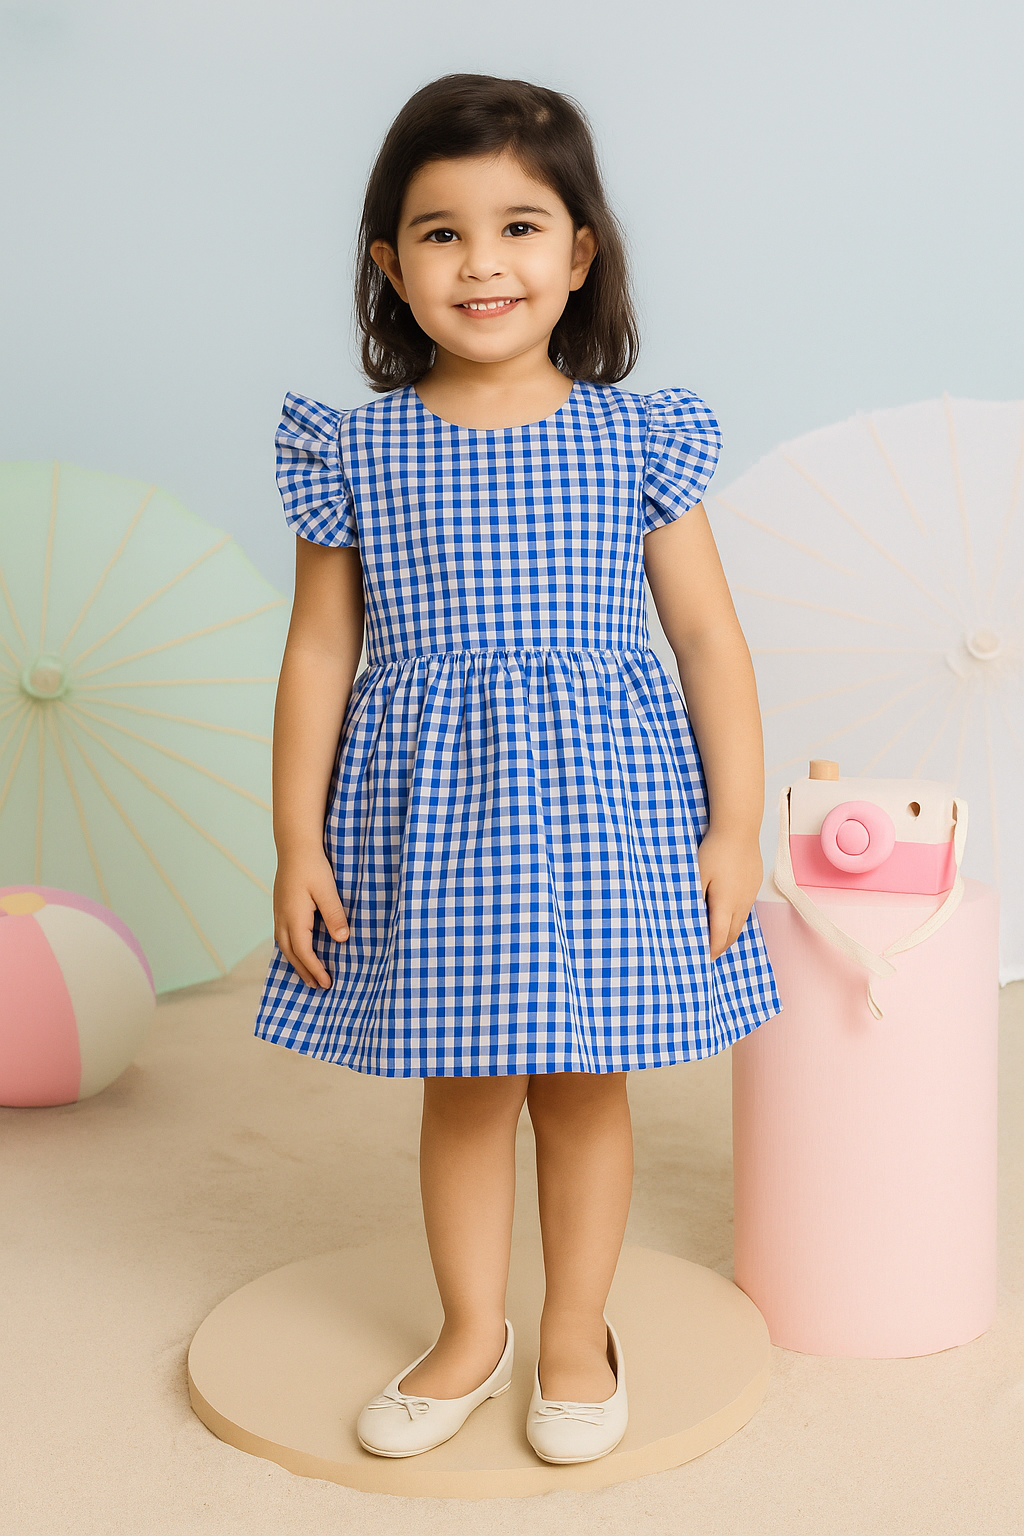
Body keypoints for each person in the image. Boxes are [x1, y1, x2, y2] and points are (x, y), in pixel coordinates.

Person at [254, 72, 781, 1466]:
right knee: (469, 1085)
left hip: (608, 813)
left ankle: (575, 1331)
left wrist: (736, 829)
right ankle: (472, 1329)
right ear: (389, 265)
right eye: (439, 232)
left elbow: (710, 642)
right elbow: (318, 657)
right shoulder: (358, 450)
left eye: (520, 226)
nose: (482, 261)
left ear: (579, 255)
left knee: (585, 1081)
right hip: (441, 814)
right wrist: (296, 842)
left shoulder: (631, 438)